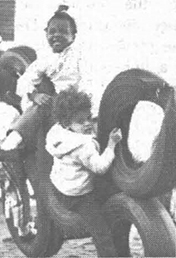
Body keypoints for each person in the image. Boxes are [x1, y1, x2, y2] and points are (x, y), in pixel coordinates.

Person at [0, 4, 85, 163]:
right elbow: (26, 79)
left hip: (75, 101)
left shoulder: (78, 57)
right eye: (52, 32)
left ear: (73, 36)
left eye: (63, 32)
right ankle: (12, 145)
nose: (56, 35)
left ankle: (14, 144)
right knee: (39, 105)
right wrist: (34, 95)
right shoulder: (46, 59)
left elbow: (89, 81)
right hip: (54, 103)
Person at [46, 87, 122, 257]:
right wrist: (111, 145)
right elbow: (100, 168)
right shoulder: (82, 146)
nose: (88, 123)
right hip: (79, 196)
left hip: (60, 185)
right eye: (81, 121)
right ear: (67, 124)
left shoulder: (57, 131)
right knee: (102, 233)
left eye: (89, 117)